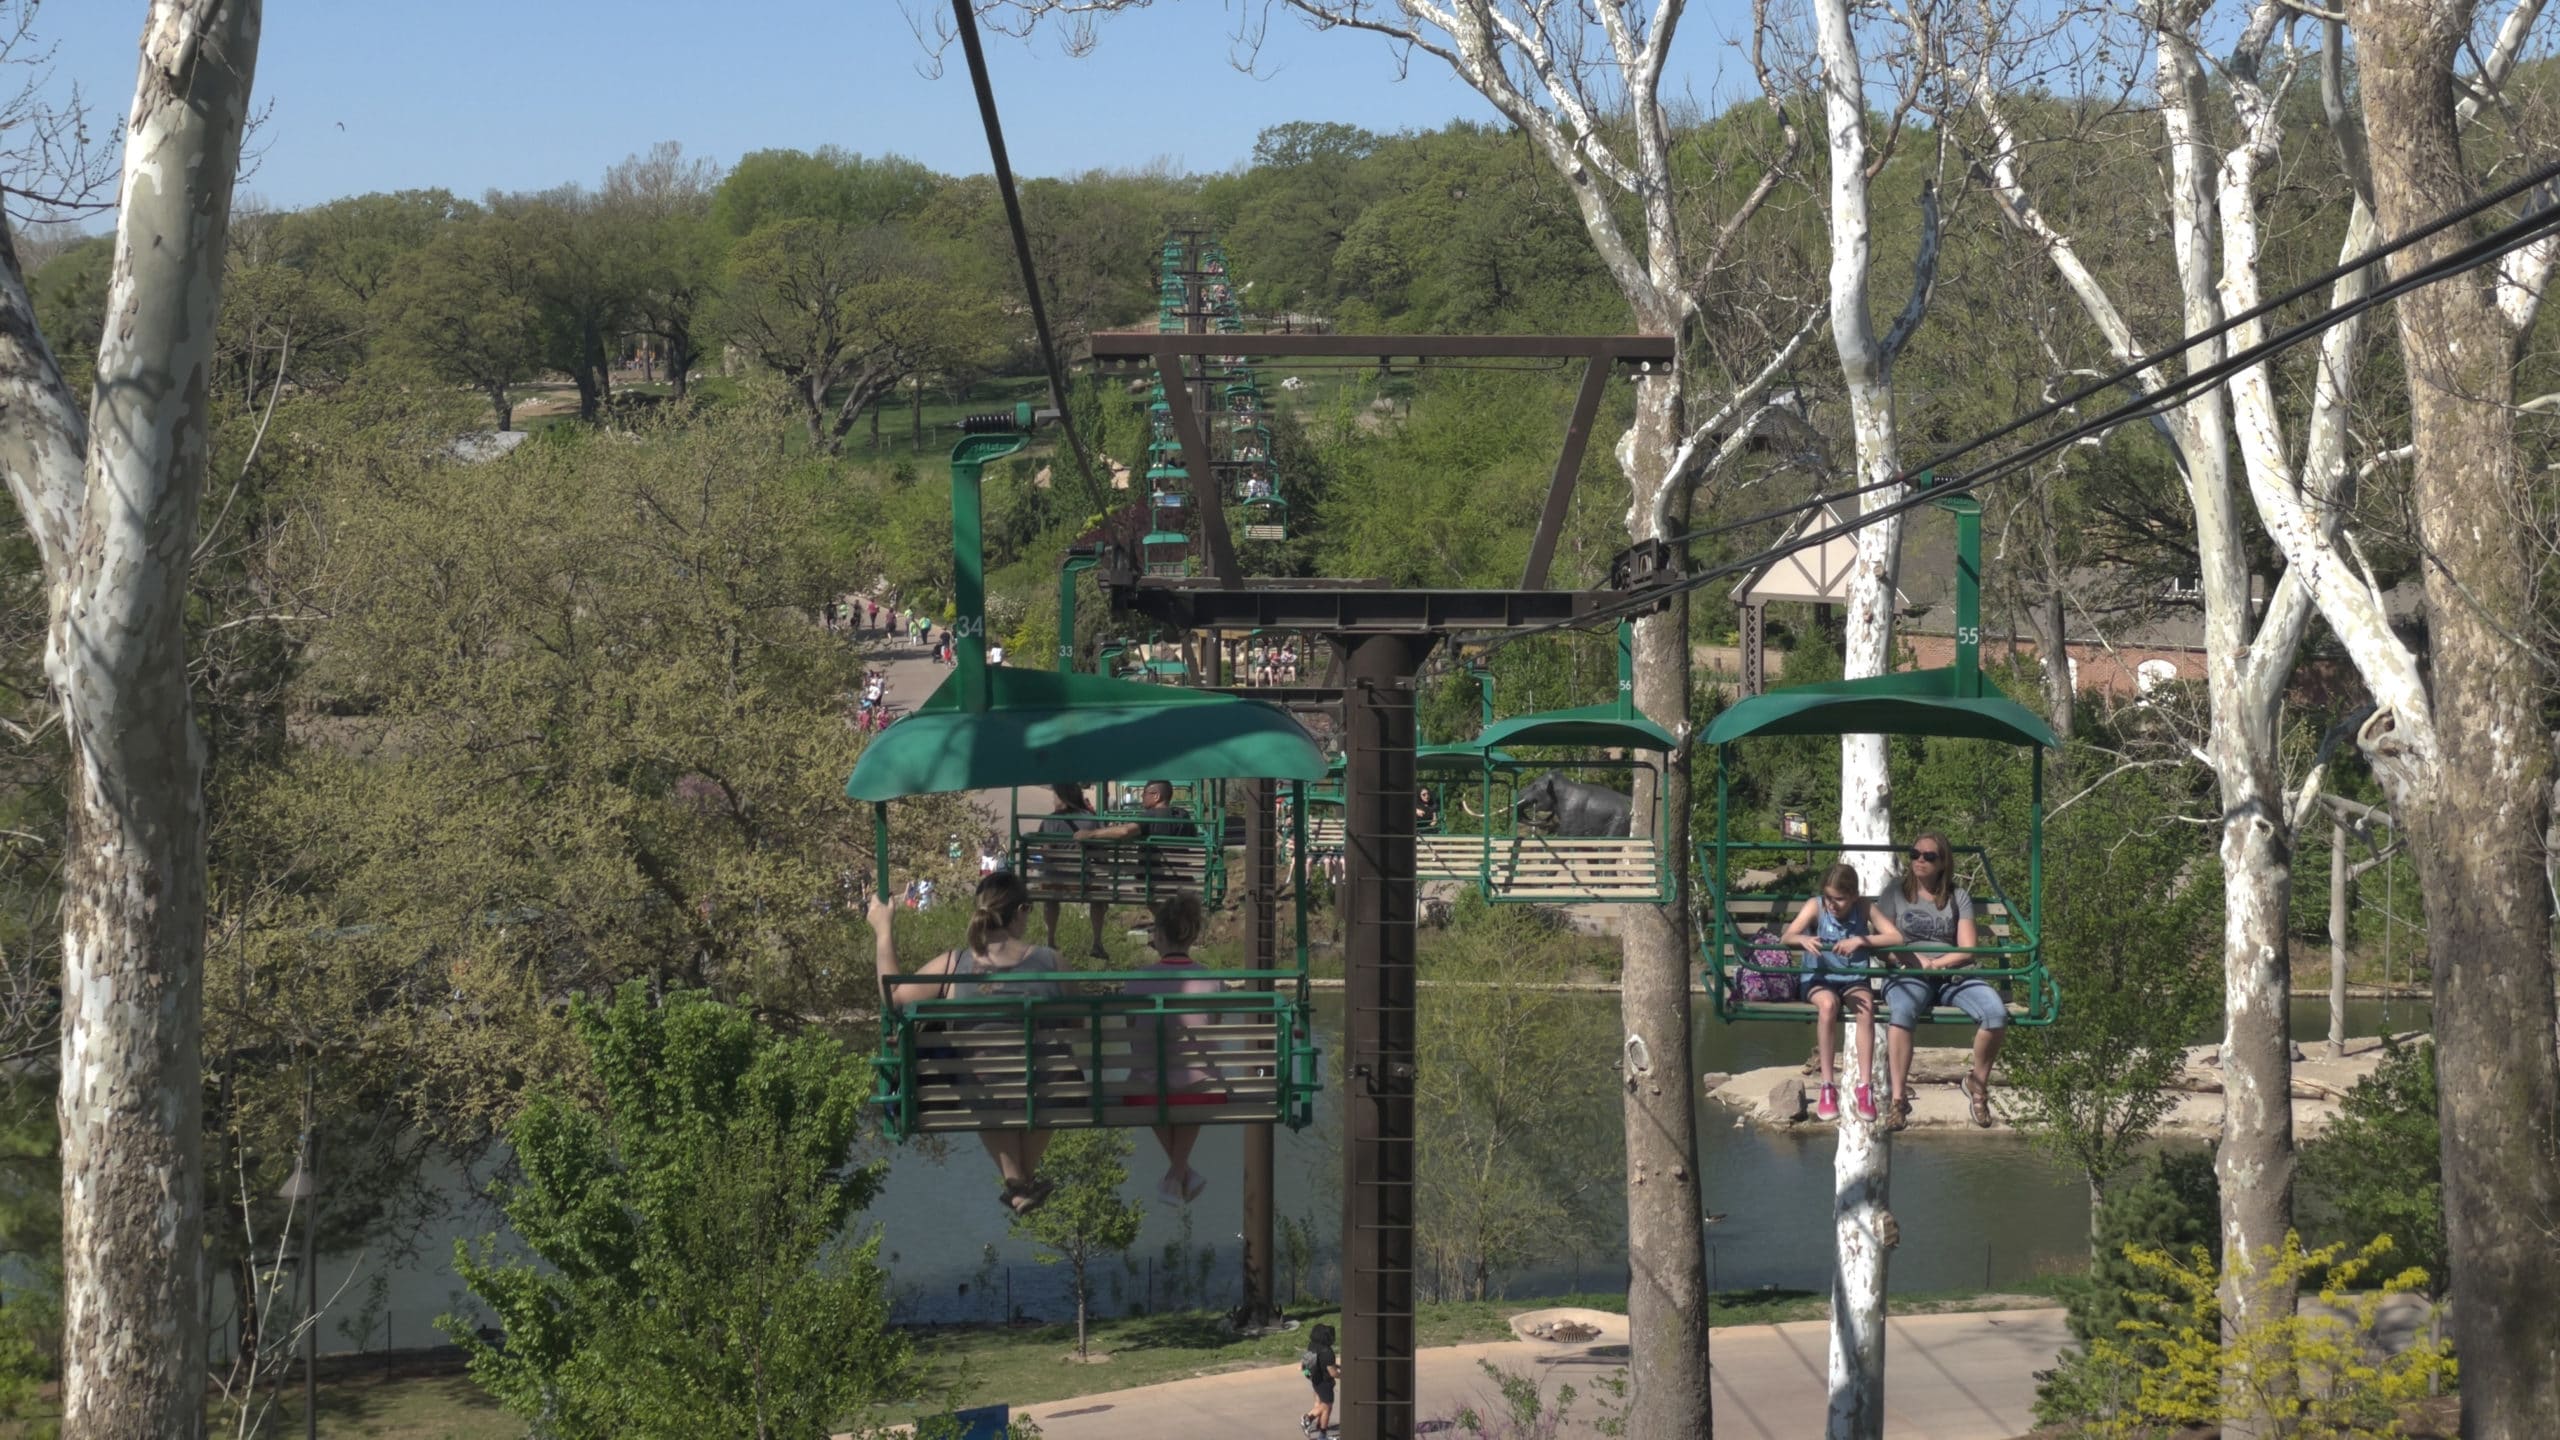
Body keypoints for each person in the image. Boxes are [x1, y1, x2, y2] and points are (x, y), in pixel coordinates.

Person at [870, 872, 1063, 1215]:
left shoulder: (954, 963)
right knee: (1060, 1073)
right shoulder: (1052, 963)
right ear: (1022, 911)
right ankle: (1022, 1181)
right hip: (1043, 1089)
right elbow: (1077, 1024)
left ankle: (1017, 1183)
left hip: (979, 1092)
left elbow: (893, 998)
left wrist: (883, 931)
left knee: (980, 1078)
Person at [1876, 830, 2006, 1129]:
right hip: (1910, 973)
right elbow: (1884, 949)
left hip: (1951, 974)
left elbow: (1968, 948)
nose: (1919, 861)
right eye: (1915, 855)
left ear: (1943, 862)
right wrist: (1914, 962)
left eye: (1928, 856)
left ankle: (1977, 1083)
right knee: (1902, 1012)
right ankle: (1898, 1100)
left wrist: (1938, 963)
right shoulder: (1895, 893)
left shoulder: (1957, 896)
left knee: (1995, 1014)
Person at [1780, 862, 1903, 1122]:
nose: (1832, 904)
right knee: (1827, 1006)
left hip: (1852, 977)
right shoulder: (1816, 906)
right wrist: (1802, 939)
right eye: (1828, 897)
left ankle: (1865, 1086)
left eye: (1839, 899)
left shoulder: (1864, 908)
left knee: (1866, 1007)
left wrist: (1861, 940)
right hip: (1820, 977)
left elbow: (1895, 937)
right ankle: (1827, 1084)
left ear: (1853, 897)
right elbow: (1787, 935)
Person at [1123, 893, 1225, 1203]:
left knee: (1143, 1079)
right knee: (1197, 1078)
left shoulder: (1137, 980)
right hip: (1203, 1089)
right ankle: (1180, 1172)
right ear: (1192, 935)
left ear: (1159, 936)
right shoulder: (1211, 980)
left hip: (1148, 1088)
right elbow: (1215, 1024)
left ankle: (1181, 1171)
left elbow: (1132, 1032)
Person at [1035, 783, 1114, 958]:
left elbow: (1046, 853)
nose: (1052, 799)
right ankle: (1097, 942)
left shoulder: (1049, 820)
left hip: (1055, 883)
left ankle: (1050, 940)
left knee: (1050, 896)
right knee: (1099, 896)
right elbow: (1101, 856)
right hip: (1083, 883)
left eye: (1055, 795)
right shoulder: (1091, 819)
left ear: (1063, 798)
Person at [1299, 1322, 1340, 1437]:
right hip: (1325, 1383)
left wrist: (1336, 1366)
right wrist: (1344, 1375)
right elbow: (1333, 1373)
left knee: (1319, 1403)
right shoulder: (1328, 1352)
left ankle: (1318, 1425)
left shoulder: (1312, 1345)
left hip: (1315, 1379)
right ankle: (1312, 1423)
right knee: (1326, 1406)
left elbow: (1321, 1362)